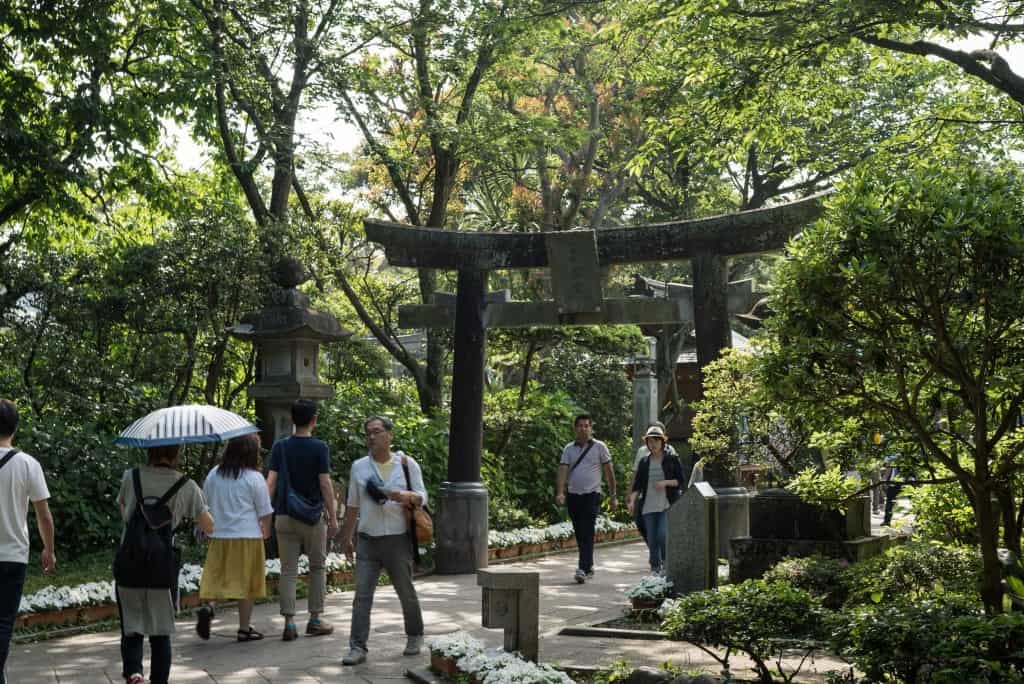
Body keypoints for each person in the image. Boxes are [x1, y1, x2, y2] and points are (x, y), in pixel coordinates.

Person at [116, 443, 213, 684]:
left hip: (129, 561)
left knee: (131, 626)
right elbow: (208, 525)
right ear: (176, 453)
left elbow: (123, 509)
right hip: (161, 566)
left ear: (149, 450)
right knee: (160, 634)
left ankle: (134, 673)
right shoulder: (186, 485)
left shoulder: (131, 476)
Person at [338, 416, 426, 666]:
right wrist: (347, 537)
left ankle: (415, 635)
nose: (371, 437)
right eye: (368, 433)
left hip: (398, 539)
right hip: (368, 539)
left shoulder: (407, 464)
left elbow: (423, 498)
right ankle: (357, 647)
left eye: (376, 431)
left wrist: (406, 496)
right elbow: (353, 505)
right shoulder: (359, 467)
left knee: (406, 592)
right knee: (362, 596)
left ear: (390, 435)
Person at [265, 399, 338, 641]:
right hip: (312, 518)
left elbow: (271, 483)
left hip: (285, 515)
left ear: (292, 419)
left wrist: (266, 516)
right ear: (314, 420)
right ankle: (315, 619)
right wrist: (333, 516)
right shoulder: (320, 448)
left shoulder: (280, 447)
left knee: (288, 570)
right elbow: (325, 484)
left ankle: (289, 623)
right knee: (317, 567)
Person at [196, 433, 274, 642]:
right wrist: (266, 531)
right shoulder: (254, 478)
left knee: (215, 577)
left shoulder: (214, 474)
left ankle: (208, 607)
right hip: (248, 536)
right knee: (247, 584)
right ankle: (244, 628)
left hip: (219, 535)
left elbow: (205, 503)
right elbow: (265, 511)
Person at [0, 399, 55, 684]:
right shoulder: (27, 464)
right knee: (3, 622)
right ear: (15, 428)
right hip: (13, 556)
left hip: (12, 555)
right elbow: (43, 516)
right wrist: (49, 549)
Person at [555, 413, 618, 584]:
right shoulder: (569, 449)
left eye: (586, 425)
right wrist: (560, 492)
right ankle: (588, 565)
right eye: (580, 426)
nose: (583, 428)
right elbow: (562, 470)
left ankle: (582, 568)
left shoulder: (600, 447)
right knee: (580, 531)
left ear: (591, 428)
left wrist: (613, 496)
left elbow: (609, 472)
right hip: (574, 495)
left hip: (592, 494)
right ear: (575, 428)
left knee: (587, 530)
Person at [628, 425, 686, 574]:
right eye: (649, 441)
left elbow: (680, 480)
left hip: (666, 504)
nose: (652, 444)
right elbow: (638, 485)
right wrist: (632, 501)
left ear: (662, 442)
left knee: (662, 535)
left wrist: (665, 483)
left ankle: (667, 563)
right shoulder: (644, 462)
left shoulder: (672, 459)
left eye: (655, 441)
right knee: (652, 539)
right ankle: (655, 568)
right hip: (648, 505)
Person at [630, 420, 679, 543]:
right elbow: (635, 473)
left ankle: (660, 556)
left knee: (661, 531)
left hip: (664, 498)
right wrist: (630, 494)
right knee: (641, 524)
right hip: (645, 496)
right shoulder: (642, 451)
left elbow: (676, 476)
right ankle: (654, 550)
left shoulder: (670, 451)